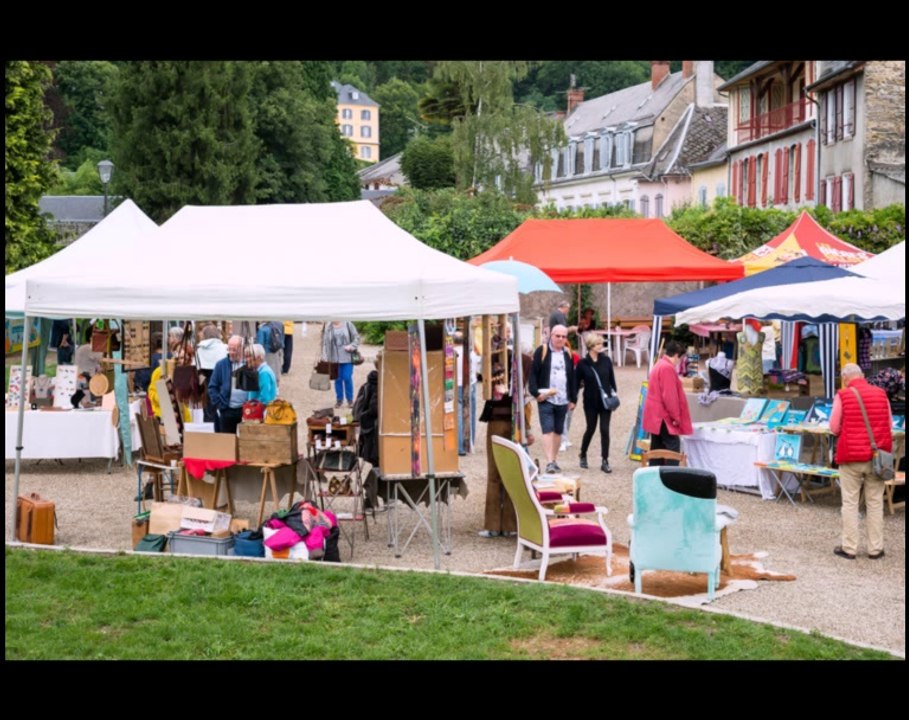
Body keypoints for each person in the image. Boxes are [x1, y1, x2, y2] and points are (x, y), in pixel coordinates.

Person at [831, 363, 892, 560]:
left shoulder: (843, 395)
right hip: (877, 457)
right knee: (875, 502)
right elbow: (889, 423)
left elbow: (833, 427)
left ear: (846, 378)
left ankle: (849, 548)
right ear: (862, 375)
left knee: (850, 502)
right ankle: (875, 548)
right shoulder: (881, 394)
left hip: (851, 457)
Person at [478, 349, 532, 538]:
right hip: (513, 421)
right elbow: (528, 396)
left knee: (496, 474)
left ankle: (495, 524)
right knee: (510, 472)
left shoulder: (494, 360)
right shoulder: (524, 360)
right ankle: (508, 525)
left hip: (503, 421)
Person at [528, 324, 577, 474]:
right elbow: (533, 374)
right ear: (551, 336)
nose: (560, 339)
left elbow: (572, 378)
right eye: (558, 336)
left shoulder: (568, 353)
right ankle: (549, 461)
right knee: (547, 429)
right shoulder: (542, 351)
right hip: (546, 398)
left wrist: (573, 398)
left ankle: (554, 460)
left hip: (563, 398)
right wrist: (536, 394)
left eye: (563, 336)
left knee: (558, 430)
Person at [642, 339, 693, 466]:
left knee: (657, 449)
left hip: (655, 416)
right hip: (662, 416)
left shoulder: (659, 364)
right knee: (672, 448)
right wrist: (676, 417)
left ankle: (654, 476)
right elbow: (670, 397)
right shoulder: (667, 368)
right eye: (680, 358)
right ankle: (671, 478)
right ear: (676, 355)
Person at [576, 334, 618, 473]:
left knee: (605, 430)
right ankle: (583, 453)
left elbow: (612, 379)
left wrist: (614, 396)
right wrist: (572, 399)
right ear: (590, 346)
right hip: (590, 402)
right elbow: (576, 383)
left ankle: (605, 460)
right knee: (591, 428)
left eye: (601, 343)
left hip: (605, 402)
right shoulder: (583, 363)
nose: (601, 346)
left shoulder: (606, 360)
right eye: (598, 344)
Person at [207, 335, 247, 434]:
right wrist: (219, 404)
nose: (231, 353)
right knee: (227, 441)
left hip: (245, 410)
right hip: (227, 409)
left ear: (242, 349)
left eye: (234, 350)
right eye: (229, 349)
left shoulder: (249, 364)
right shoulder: (221, 365)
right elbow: (212, 387)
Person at [355, 368, 380, 510]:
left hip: (368, 435)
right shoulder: (379, 387)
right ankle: (371, 499)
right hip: (375, 436)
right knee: (380, 467)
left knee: (377, 467)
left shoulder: (367, 385)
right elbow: (374, 409)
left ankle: (371, 500)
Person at [322, 320, 360, 408]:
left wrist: (352, 346)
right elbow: (325, 343)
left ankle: (350, 400)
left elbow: (357, 338)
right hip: (334, 359)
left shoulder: (348, 324)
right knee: (337, 379)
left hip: (348, 358)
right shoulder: (328, 326)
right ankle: (339, 400)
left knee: (347, 377)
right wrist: (325, 356)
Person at [196, 324, 228, 423]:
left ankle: (209, 435)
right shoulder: (225, 348)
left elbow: (198, 370)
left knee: (209, 413)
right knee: (223, 412)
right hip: (223, 383)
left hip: (207, 384)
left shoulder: (199, 350)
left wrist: (202, 382)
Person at [256, 321, 284, 387]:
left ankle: (269, 386)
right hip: (277, 351)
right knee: (276, 369)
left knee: (267, 370)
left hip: (267, 352)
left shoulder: (262, 329)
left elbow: (259, 345)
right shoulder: (278, 325)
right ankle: (276, 386)